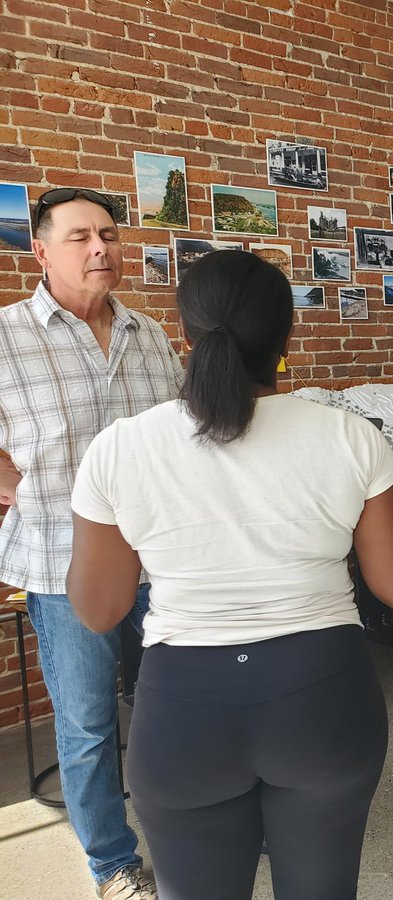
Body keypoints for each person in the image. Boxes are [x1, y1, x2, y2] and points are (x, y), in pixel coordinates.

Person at [66, 250, 393, 899]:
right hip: (322, 698)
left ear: (184, 337)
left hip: (183, 713)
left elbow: (98, 610)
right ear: (287, 337)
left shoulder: (120, 448)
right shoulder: (349, 438)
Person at [0, 188, 184, 899]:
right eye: (79, 237)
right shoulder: (8, 335)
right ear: (41, 251)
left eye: (107, 233)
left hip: (158, 559)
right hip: (59, 561)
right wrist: (10, 480)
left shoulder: (149, 334)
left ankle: (194, 824)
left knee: (186, 702)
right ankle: (112, 864)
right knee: (85, 722)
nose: (100, 248)